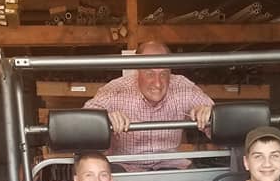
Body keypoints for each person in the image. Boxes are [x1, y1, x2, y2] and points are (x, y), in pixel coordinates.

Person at [83, 41, 214, 171]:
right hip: (125, 165)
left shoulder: (183, 87)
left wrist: (208, 114)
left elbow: (219, 121)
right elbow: (83, 122)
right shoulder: (116, 89)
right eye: (150, 73)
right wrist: (104, 119)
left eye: (163, 74)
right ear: (137, 70)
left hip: (170, 163)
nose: (157, 83)